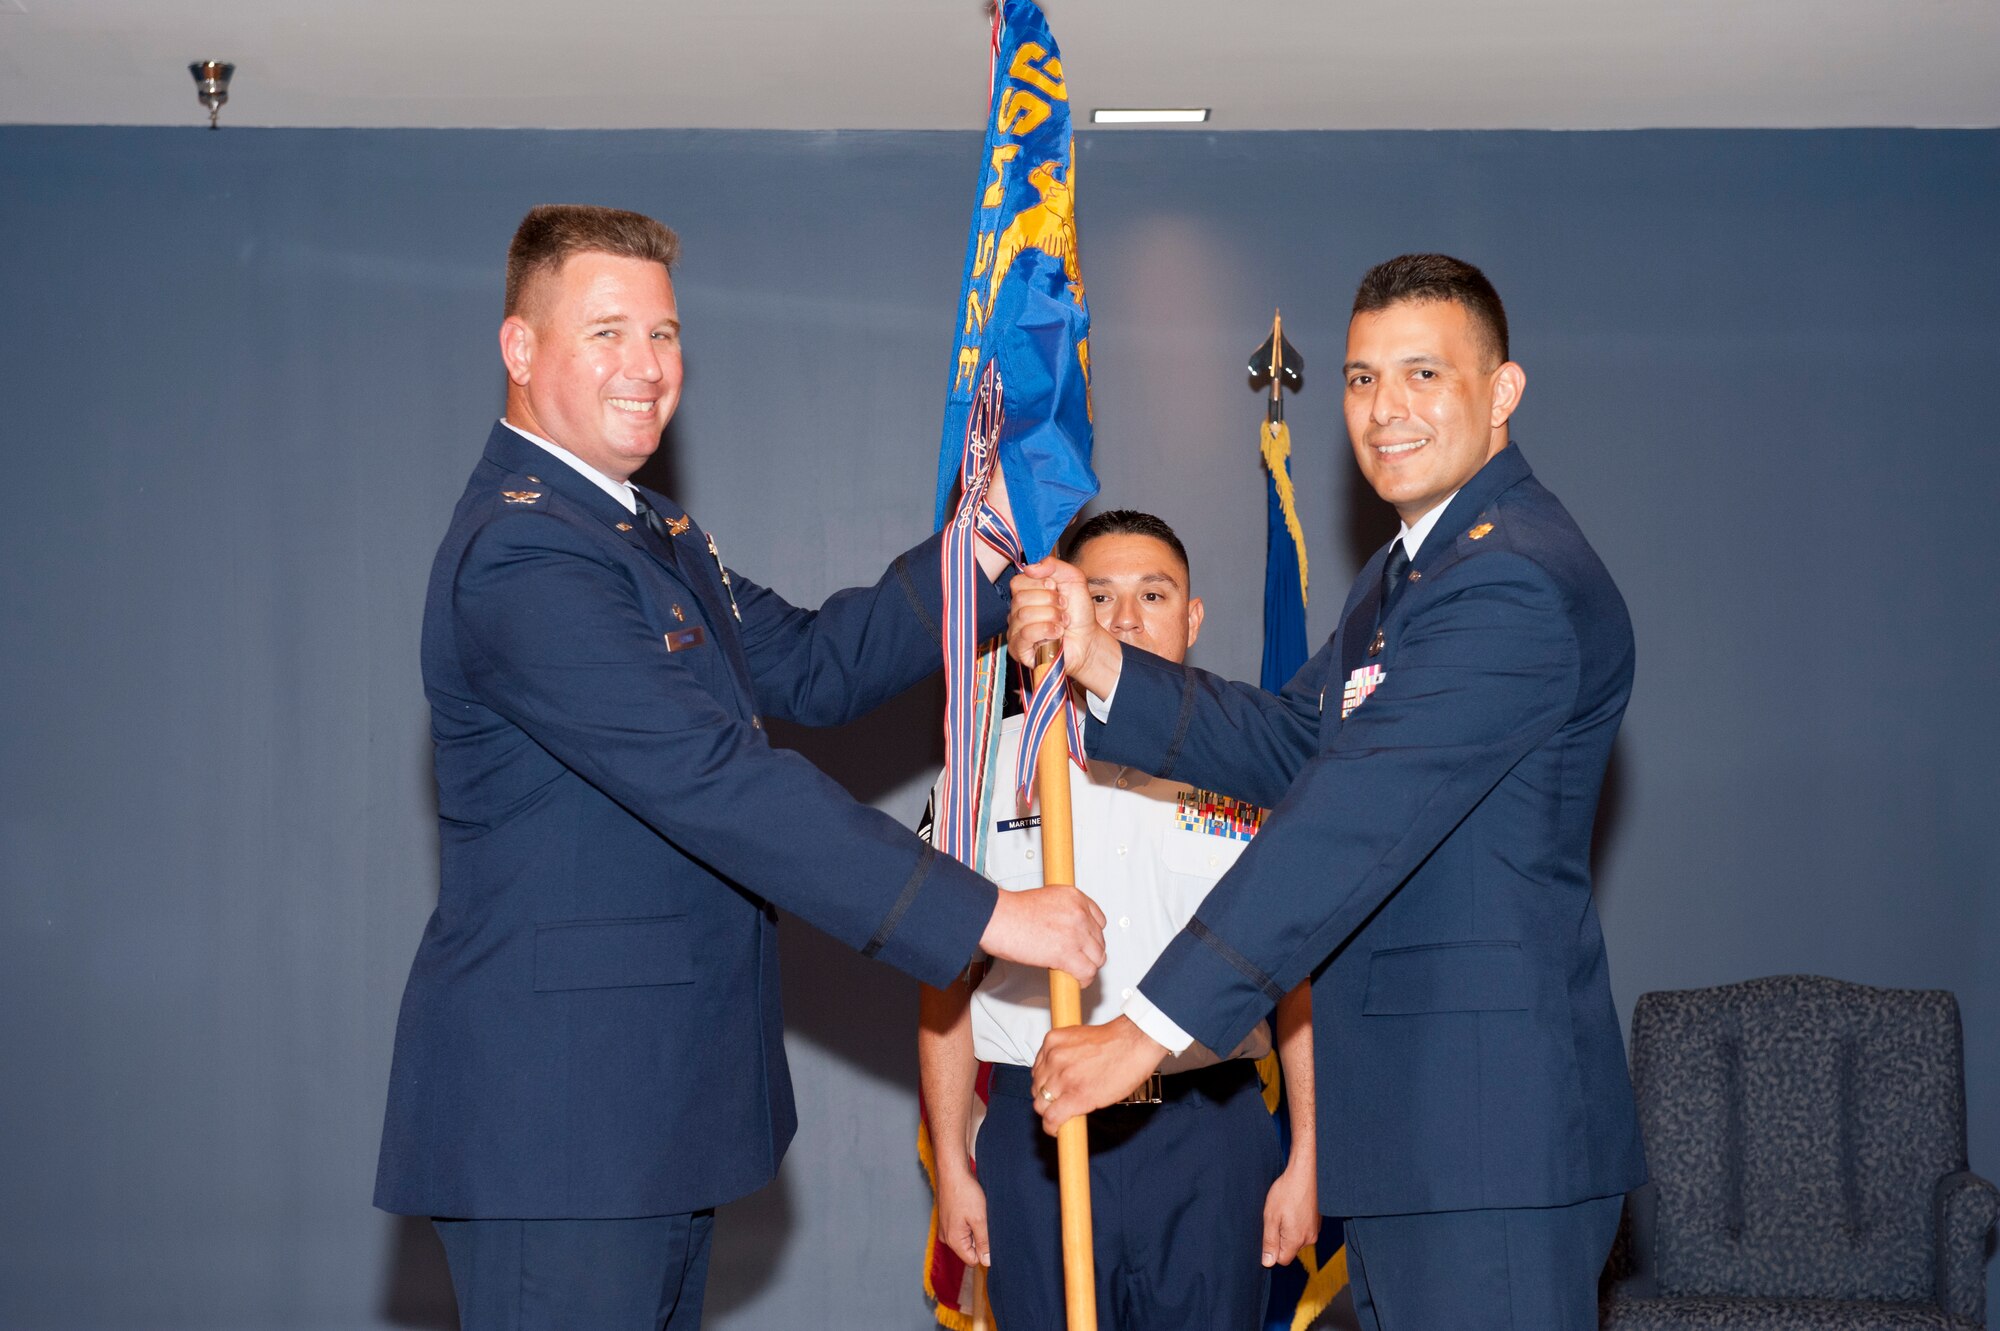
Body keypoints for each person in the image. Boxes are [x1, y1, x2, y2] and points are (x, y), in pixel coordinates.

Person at [373, 204, 1106, 1331]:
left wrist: (987, 535)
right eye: (607, 332)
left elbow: (817, 663)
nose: (647, 366)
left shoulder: (648, 533)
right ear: (520, 349)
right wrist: (990, 915)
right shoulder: (522, 551)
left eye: (662, 335)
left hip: (646, 1116)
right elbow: (716, 780)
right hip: (557, 1132)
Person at [1012, 254, 1646, 1330]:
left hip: (1482, 1140)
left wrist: (1146, 1031)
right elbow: (1298, 736)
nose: (1383, 410)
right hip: (1413, 1129)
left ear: (1500, 392)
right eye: (1359, 379)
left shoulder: (1510, 578)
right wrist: (1103, 662)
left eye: (1420, 375)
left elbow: (1346, 815)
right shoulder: (1412, 570)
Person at [919, 511, 1318, 1330]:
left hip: (1210, 1134)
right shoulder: (986, 773)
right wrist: (955, 1164)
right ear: (1063, 607)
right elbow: (943, 982)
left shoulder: (1255, 763)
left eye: (1154, 593)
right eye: (1098, 595)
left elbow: (1295, 976)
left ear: (1193, 617)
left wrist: (1307, 1153)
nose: (1126, 618)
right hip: (1040, 1140)